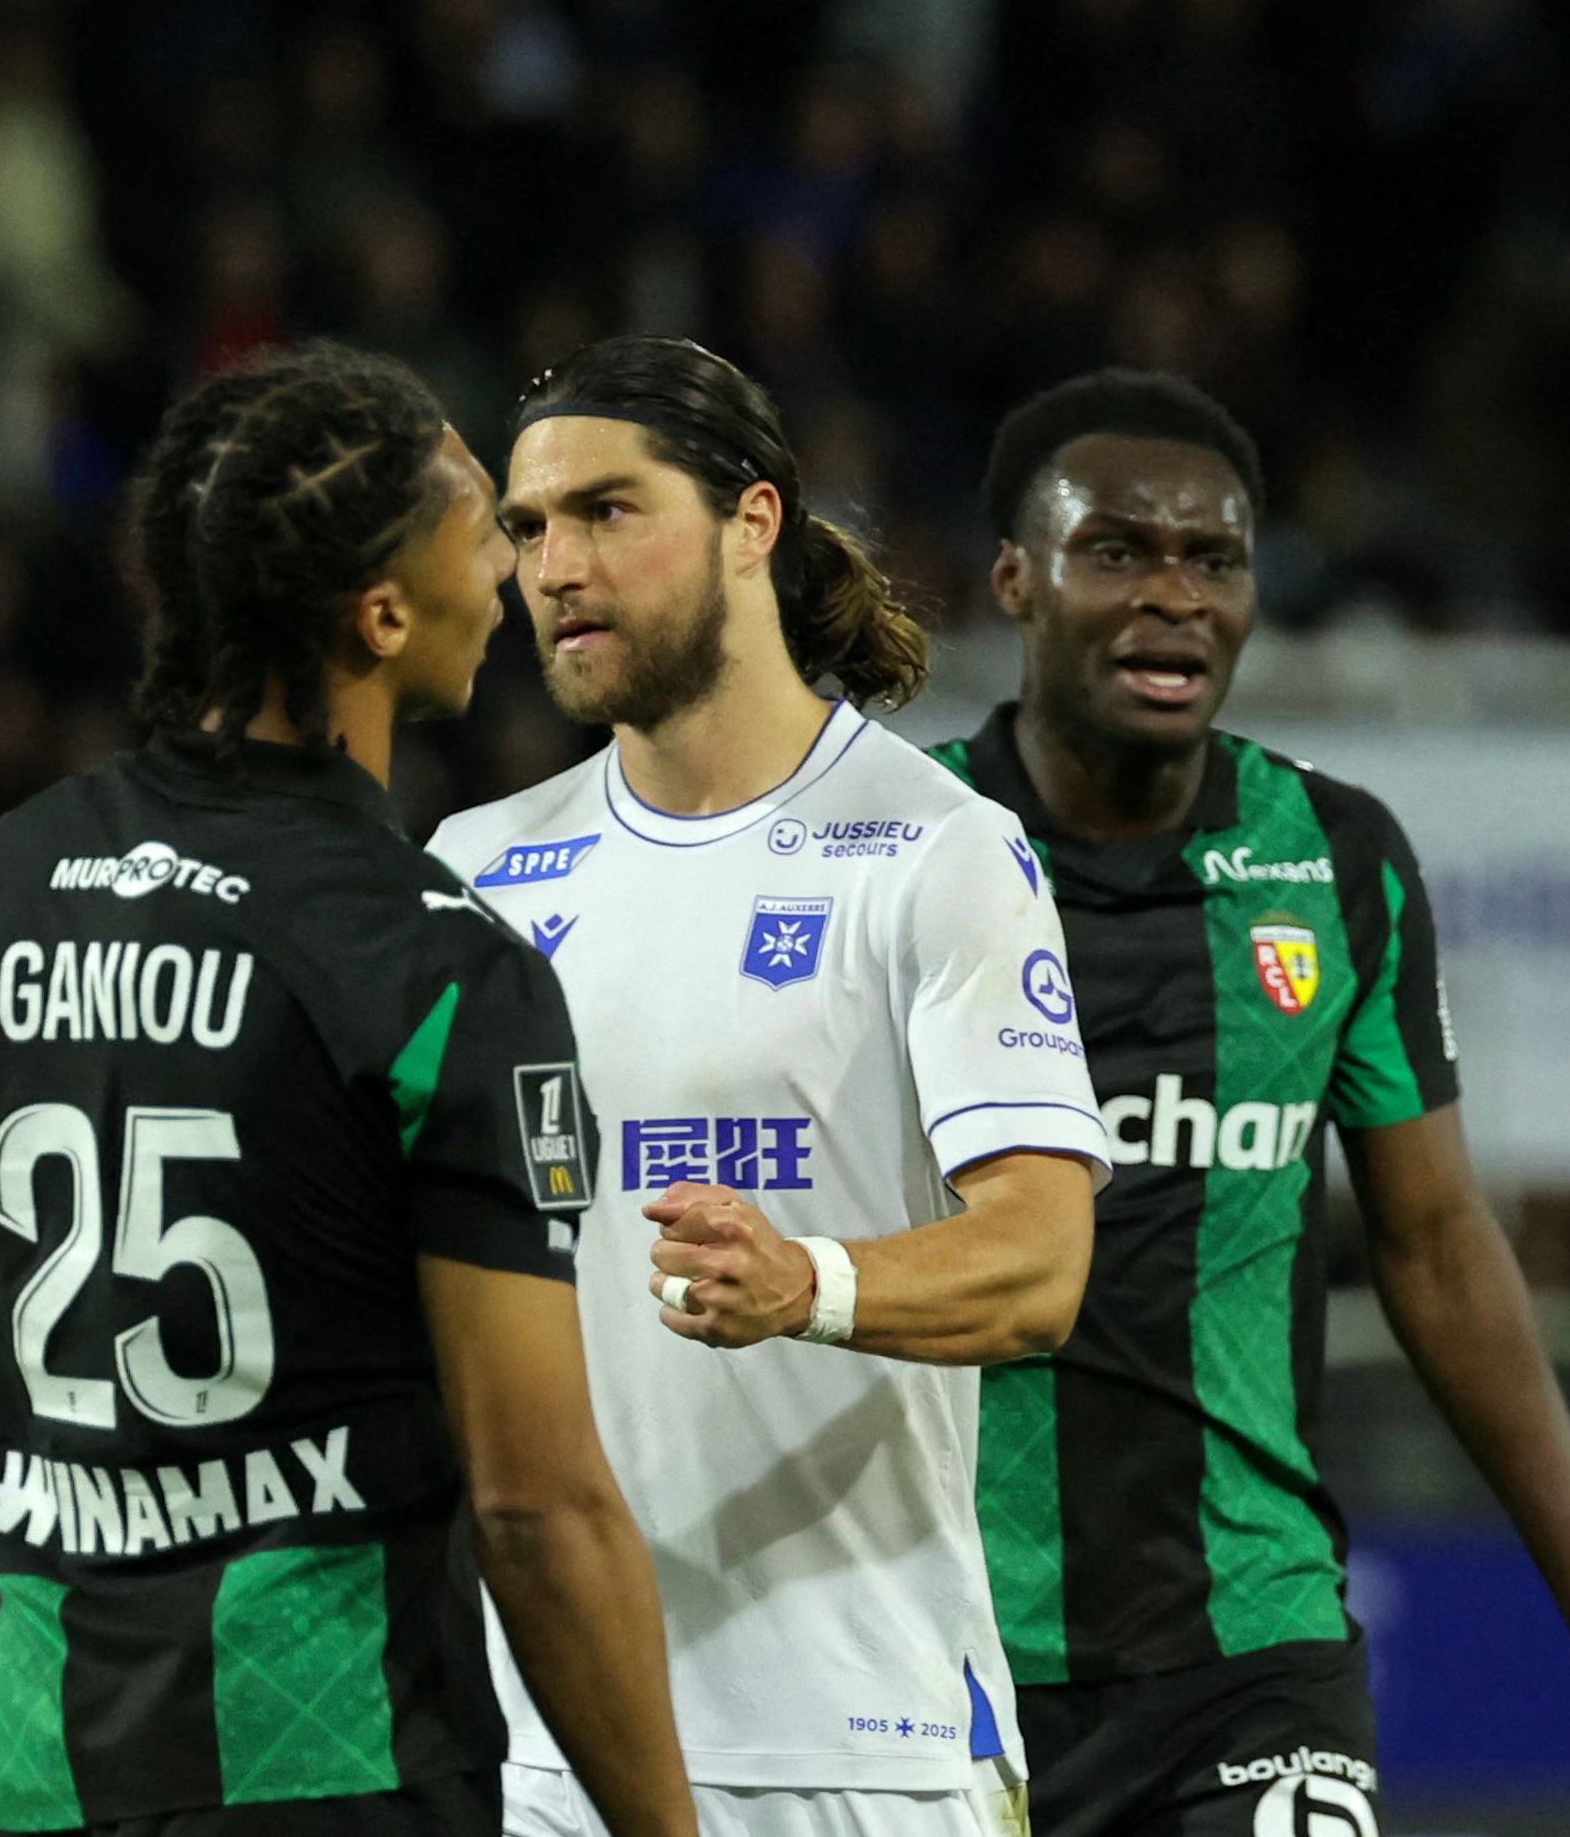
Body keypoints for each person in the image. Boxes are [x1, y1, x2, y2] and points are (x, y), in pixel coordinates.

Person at [0, 343, 699, 1837]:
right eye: (487, 530)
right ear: (384, 615)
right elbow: (536, 1506)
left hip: (37, 1763)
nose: (517, 569)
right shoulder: (438, 968)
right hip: (328, 1766)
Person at [938, 368, 1570, 1837]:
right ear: (1014, 583)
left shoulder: (1335, 858)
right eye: (1115, 552)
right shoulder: (898, 853)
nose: (1172, 596)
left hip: (1253, 1649)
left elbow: (1436, 1248)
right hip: (936, 1650)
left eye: (1212, 561)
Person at [428, 336, 1104, 1837]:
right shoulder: (471, 872)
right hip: (545, 1754)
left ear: (753, 523)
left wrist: (812, 1283)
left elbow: (1044, 1264)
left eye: (609, 510)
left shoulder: (936, 849)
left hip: (862, 1749)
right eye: (528, 528)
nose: (556, 565)